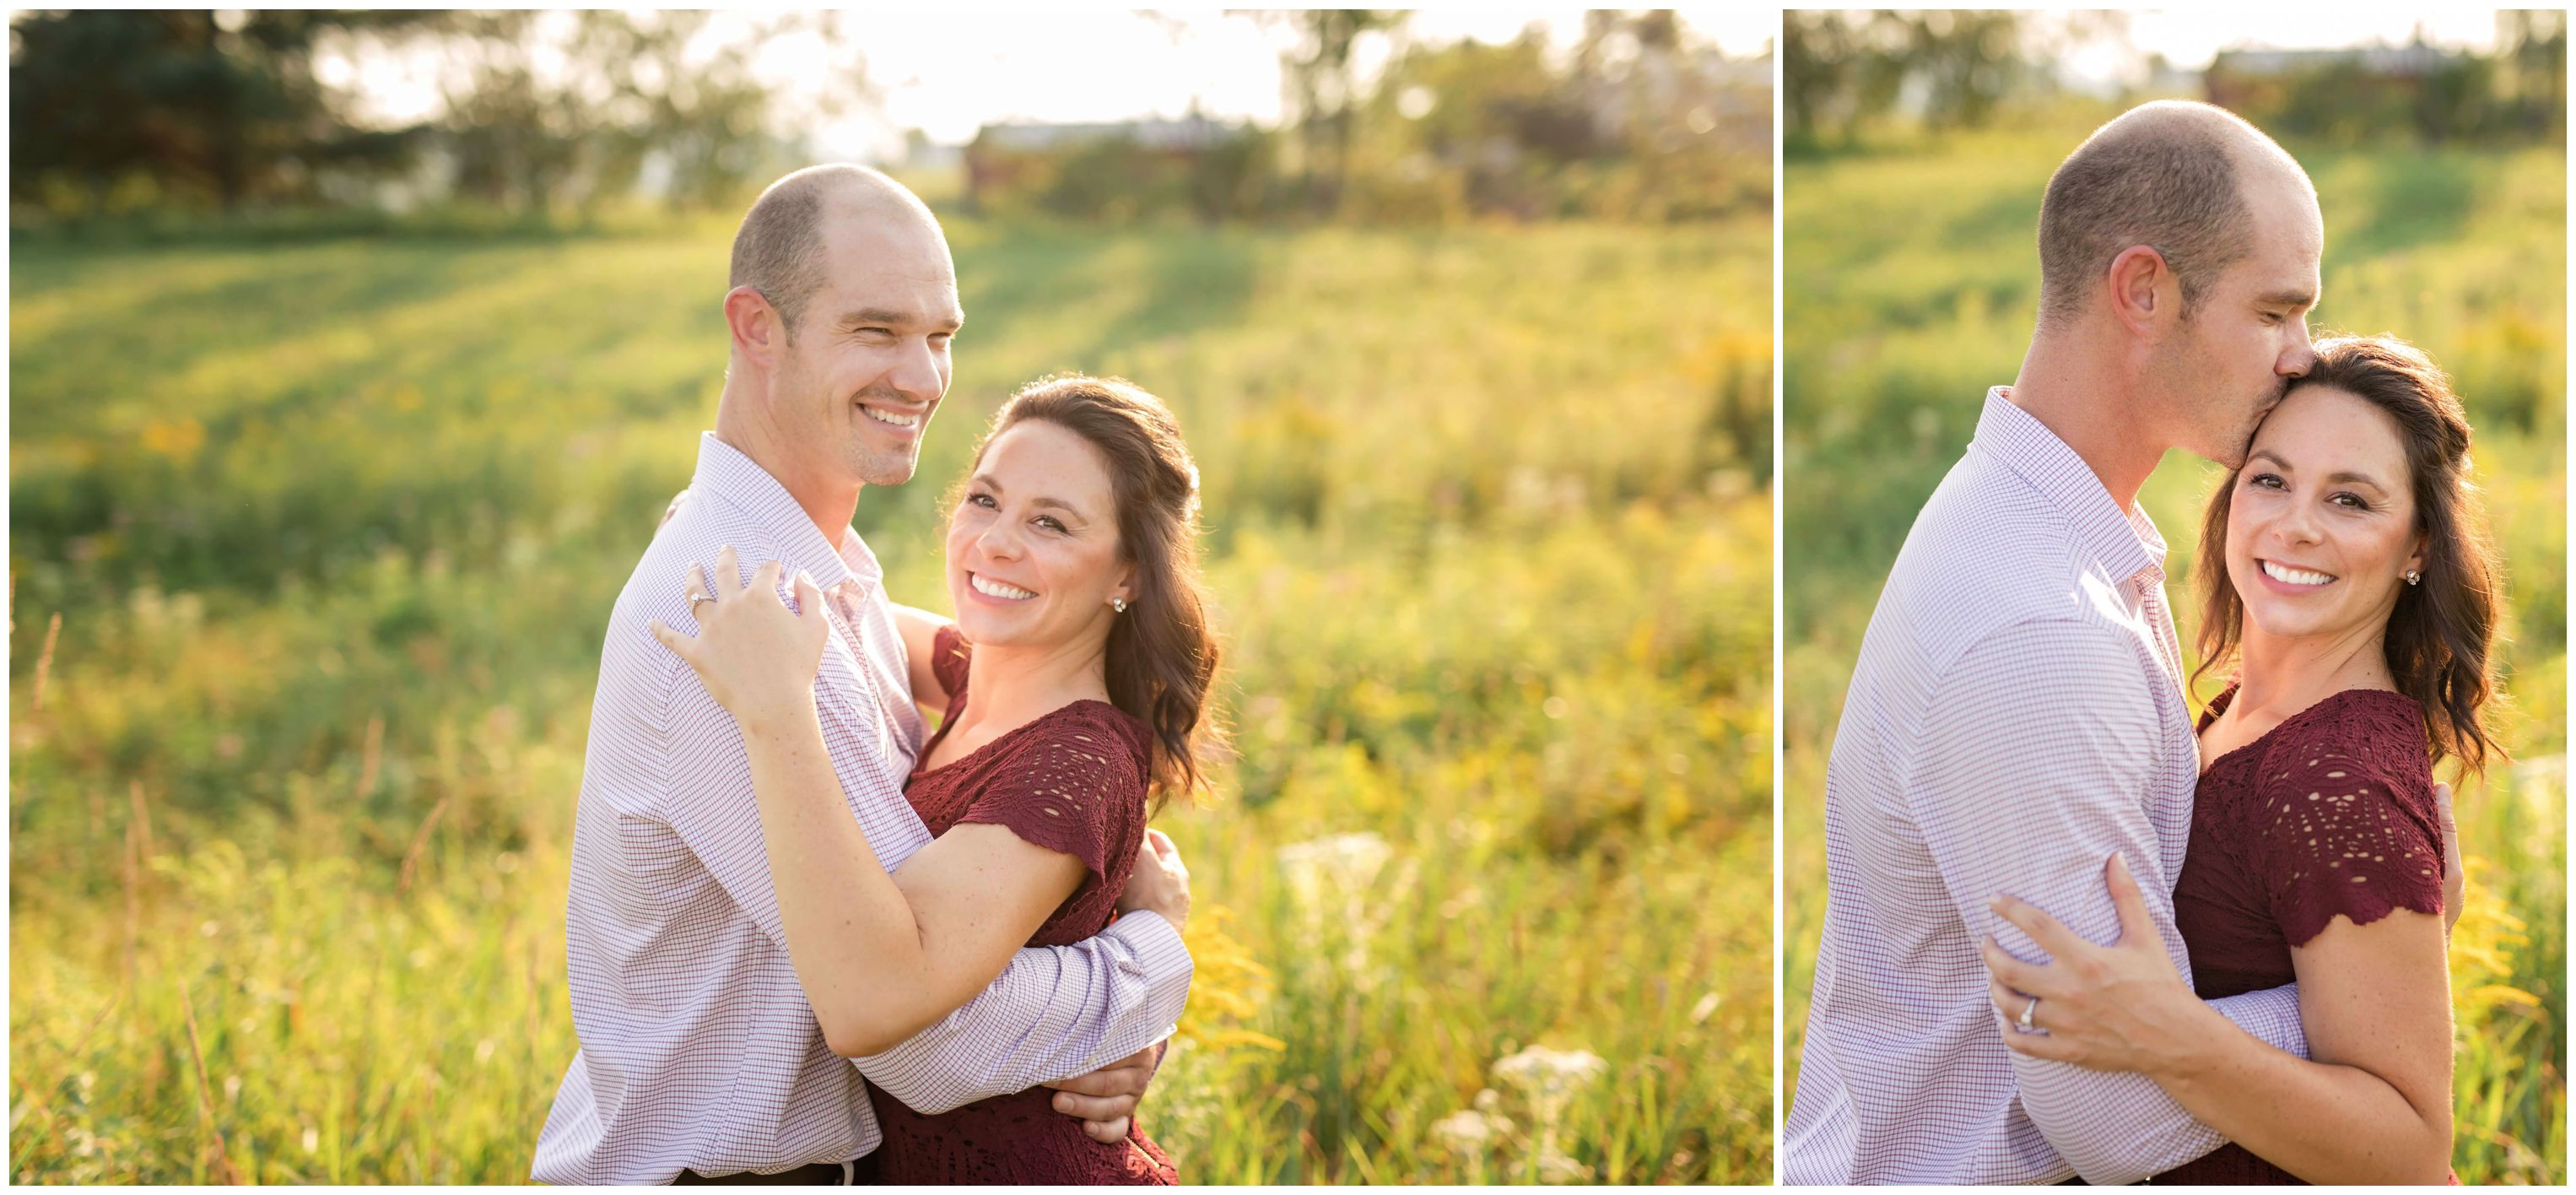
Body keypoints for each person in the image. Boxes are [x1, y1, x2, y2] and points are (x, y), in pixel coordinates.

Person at [1786, 100, 2454, 1185]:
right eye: (2276, 312)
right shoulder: (2041, 630)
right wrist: (2380, 973)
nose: (2299, 360)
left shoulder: (2037, 525)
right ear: (2143, 291)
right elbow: (2119, 1122)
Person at [534, 167, 1193, 1186]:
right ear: (757, 328)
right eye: (877, 331)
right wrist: (1147, 961)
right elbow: (921, 1036)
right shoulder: (726, 618)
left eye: (940, 336)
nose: (924, 379)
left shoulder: (816, 582)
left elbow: (1006, 676)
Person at [654, 375, 1220, 1182]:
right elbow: (830, 606)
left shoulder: (1076, 763)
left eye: (1051, 523)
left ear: (1128, 574)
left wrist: (778, 711)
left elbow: (868, 1007)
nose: (994, 543)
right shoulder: (977, 674)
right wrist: (703, 532)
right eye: (985, 501)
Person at [1981, 335, 2493, 1184]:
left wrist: (2165, 1036)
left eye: (2350, 501)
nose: (2292, 525)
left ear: (2417, 549)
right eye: (2269, 479)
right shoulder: (2238, 714)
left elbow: (2407, 1151)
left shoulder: (2337, 785)